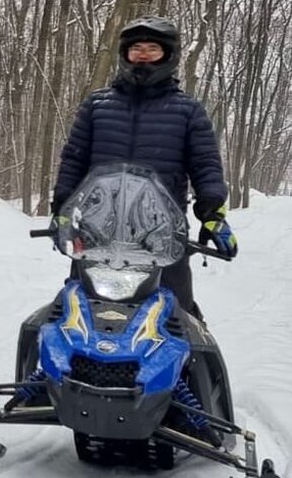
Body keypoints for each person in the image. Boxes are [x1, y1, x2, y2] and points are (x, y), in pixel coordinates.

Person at [51, 16, 237, 317]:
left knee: (178, 312)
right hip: (99, 227)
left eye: (153, 48)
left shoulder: (188, 111)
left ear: (169, 55)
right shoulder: (97, 106)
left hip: (162, 231)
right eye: (136, 48)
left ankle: (193, 363)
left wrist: (213, 214)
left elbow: (206, 165)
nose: (144, 54)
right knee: (77, 308)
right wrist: (61, 207)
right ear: (125, 53)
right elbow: (74, 158)